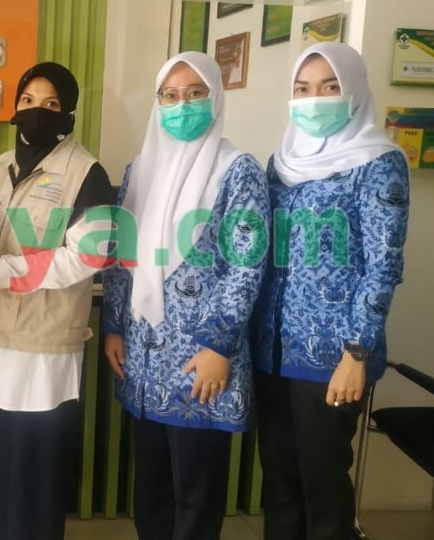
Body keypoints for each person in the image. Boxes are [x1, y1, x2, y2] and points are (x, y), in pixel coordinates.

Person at [103, 51, 269, 540]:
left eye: (195, 94)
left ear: (215, 99)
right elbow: (122, 254)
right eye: (170, 96)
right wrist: (114, 326)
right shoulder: (140, 170)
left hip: (201, 361)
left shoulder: (237, 170)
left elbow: (247, 265)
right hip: (144, 357)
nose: (182, 106)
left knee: (195, 495)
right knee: (150, 492)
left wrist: (219, 344)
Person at [250, 42, 410, 540]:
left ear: (355, 91)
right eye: (303, 88)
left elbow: (383, 266)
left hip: (333, 355)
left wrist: (357, 352)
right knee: (279, 481)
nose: (314, 99)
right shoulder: (280, 163)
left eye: (329, 86)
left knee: (322, 484)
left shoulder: (378, 162)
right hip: (273, 350)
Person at [0, 61, 115, 540]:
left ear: (68, 113)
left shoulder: (87, 173)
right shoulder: (0, 167)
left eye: (50, 104)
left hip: (43, 345)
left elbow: (89, 257)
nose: (36, 112)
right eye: (27, 101)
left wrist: (8, 272)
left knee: (32, 467)